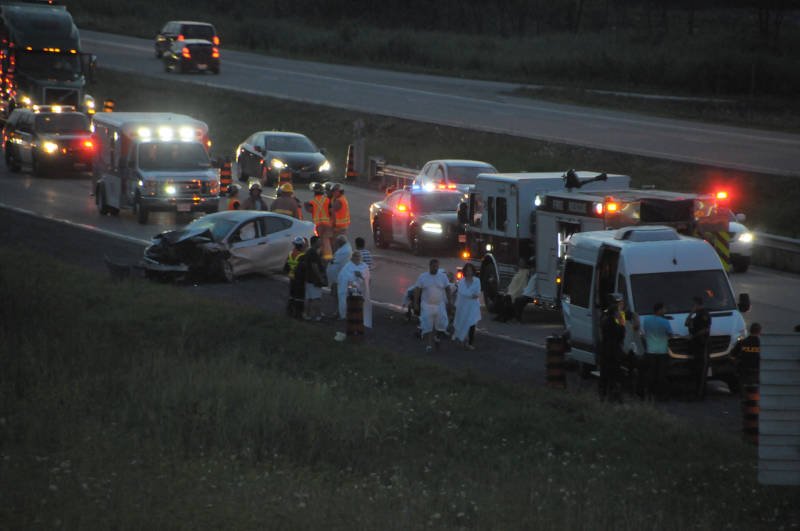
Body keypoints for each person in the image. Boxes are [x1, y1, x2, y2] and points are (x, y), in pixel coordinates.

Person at [412, 258, 453, 352]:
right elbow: (417, 290)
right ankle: (429, 345)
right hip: (426, 305)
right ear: (430, 266)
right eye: (434, 266)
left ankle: (436, 338)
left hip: (440, 305)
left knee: (441, 324)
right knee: (428, 325)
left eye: (437, 267)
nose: (435, 268)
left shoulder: (443, 277)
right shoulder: (423, 277)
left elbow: (448, 289)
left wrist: (450, 301)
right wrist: (415, 303)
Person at [640, 302, 673, 401]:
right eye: (664, 309)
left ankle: (650, 393)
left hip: (650, 351)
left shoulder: (646, 320)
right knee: (661, 374)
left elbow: (645, 332)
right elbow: (670, 334)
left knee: (651, 373)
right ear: (660, 310)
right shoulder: (665, 321)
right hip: (662, 351)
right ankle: (661, 395)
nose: (665, 311)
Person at [599, 293, 626, 403]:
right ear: (615, 313)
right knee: (614, 374)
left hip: (605, 350)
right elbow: (621, 336)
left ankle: (603, 394)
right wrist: (621, 323)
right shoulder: (615, 325)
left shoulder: (604, 321)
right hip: (614, 351)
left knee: (604, 373)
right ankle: (613, 395)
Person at [685, 295, 712, 400]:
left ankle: (700, 395)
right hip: (696, 346)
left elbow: (705, 330)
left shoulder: (704, 315)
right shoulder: (696, 315)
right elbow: (687, 323)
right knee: (696, 370)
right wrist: (691, 313)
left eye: (693, 305)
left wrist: (693, 336)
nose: (692, 306)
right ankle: (697, 392)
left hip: (703, 345)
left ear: (697, 304)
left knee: (702, 371)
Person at [337, 250, 373, 328]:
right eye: (355, 256)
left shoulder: (364, 266)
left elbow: (368, 279)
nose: (357, 258)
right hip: (351, 286)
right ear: (352, 257)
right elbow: (342, 277)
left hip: (361, 288)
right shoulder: (347, 266)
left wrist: (360, 276)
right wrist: (351, 279)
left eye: (358, 256)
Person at [452, 263, 481, 350]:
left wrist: (470, 295)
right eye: (467, 270)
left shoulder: (477, 280)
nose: (469, 272)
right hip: (463, 305)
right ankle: (463, 339)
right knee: (462, 322)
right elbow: (462, 292)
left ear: (473, 271)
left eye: (470, 270)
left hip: (473, 306)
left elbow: (477, 293)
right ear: (465, 271)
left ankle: (470, 343)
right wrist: (471, 295)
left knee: (472, 323)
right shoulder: (461, 282)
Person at [305, 182, 332, 260]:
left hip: (317, 225)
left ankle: (320, 257)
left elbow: (309, 210)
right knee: (326, 241)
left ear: (314, 192)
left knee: (319, 242)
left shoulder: (312, 202)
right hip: (327, 224)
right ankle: (328, 258)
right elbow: (331, 211)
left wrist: (305, 205)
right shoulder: (327, 200)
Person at [731, 322, 761, 389]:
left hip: (743, 371)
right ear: (759, 332)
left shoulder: (742, 342)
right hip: (757, 371)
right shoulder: (762, 344)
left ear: (750, 331)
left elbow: (732, 355)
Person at [303, 236, 326, 321]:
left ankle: (307, 314)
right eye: (319, 241)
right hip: (314, 279)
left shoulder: (310, 251)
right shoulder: (313, 253)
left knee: (309, 298)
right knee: (317, 298)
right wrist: (320, 277)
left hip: (309, 278)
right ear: (314, 242)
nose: (320, 243)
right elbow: (314, 266)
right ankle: (318, 315)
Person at [283, 237, 306, 318]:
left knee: (292, 296)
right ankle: (298, 313)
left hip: (292, 278)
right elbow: (304, 269)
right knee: (299, 297)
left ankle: (290, 311)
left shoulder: (290, 254)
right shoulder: (302, 256)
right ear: (301, 245)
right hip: (299, 280)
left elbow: (286, 267)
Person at [326, 235, 352, 305]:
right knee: (336, 295)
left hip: (339, 278)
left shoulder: (344, 251)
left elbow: (336, 260)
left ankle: (339, 309)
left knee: (338, 295)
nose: (336, 244)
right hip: (337, 278)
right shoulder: (343, 249)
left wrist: (331, 260)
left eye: (337, 242)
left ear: (340, 242)